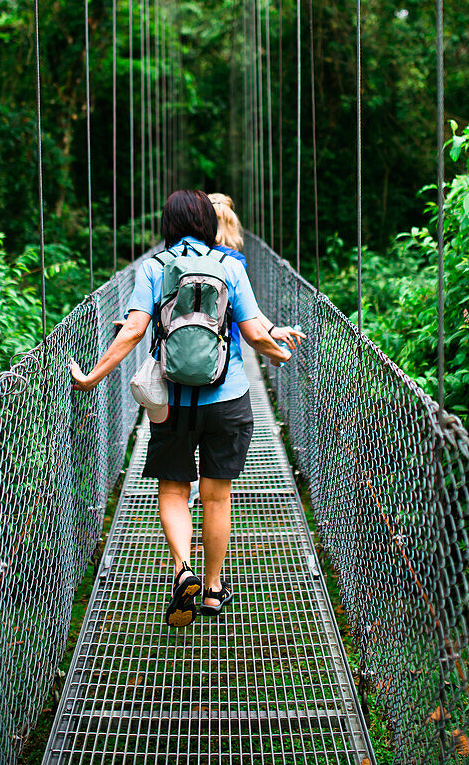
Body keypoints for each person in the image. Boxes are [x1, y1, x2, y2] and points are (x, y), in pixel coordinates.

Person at [69, 189, 291, 628]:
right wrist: (280, 355)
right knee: (217, 496)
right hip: (229, 400)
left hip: (172, 403)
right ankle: (211, 590)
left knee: (173, 490)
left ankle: (182, 570)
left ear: (167, 225)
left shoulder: (154, 267)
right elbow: (255, 333)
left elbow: (133, 331)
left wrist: (92, 377)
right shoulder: (230, 266)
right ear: (210, 224)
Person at [208, 192, 305, 352]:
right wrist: (275, 342)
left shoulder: (186, 254)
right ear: (232, 223)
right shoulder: (234, 260)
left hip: (186, 345)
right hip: (224, 347)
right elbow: (244, 305)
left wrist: (272, 330)